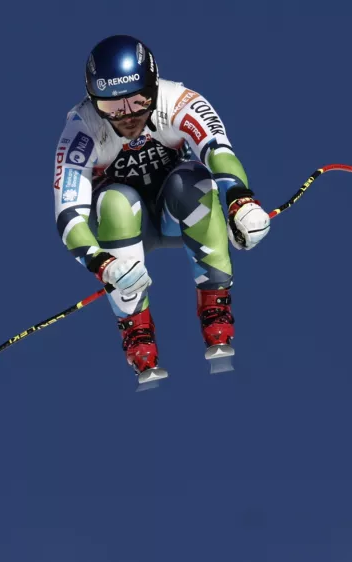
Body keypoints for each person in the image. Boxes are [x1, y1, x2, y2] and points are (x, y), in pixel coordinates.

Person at [52, 34, 271, 388]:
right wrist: (102, 264)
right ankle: (135, 326)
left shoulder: (179, 101)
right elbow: (68, 214)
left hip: (176, 212)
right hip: (124, 228)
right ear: (94, 103)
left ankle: (215, 301)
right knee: (116, 201)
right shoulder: (82, 129)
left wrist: (240, 201)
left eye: (140, 101)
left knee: (194, 181)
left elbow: (217, 150)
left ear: (154, 87)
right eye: (112, 108)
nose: (128, 117)